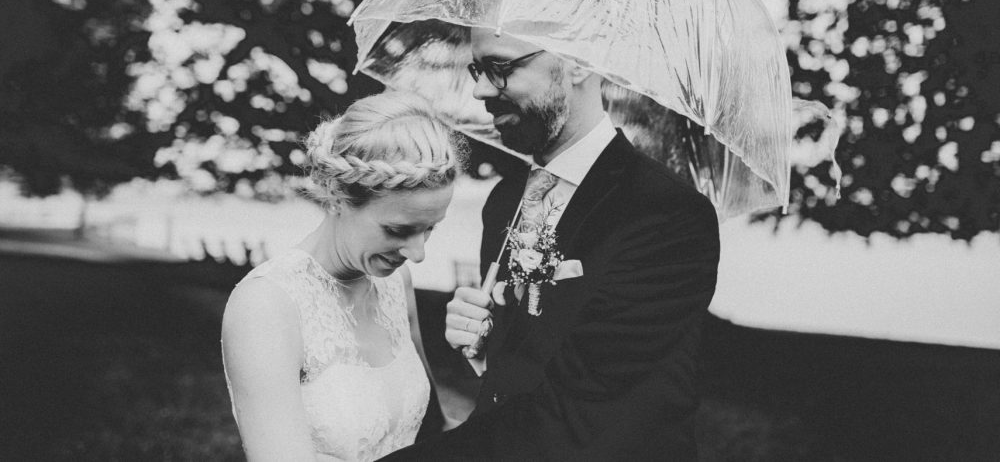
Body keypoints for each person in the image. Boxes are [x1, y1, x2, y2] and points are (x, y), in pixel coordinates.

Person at [382, 28, 721, 460]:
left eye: (500, 68)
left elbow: (581, 406)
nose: (481, 90)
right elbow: (518, 377)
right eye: (477, 69)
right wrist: (486, 347)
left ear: (578, 61)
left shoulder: (664, 213)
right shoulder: (505, 200)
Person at [222, 91, 463, 461]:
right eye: (398, 230)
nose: (418, 253)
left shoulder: (396, 284)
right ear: (336, 196)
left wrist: (492, 362)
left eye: (430, 228)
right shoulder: (267, 305)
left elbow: (434, 434)